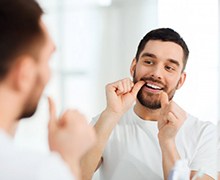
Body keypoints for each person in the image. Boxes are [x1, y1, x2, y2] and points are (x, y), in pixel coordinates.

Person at [81, 28, 217, 180]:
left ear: (181, 80)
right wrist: (111, 114)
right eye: (149, 62)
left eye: (169, 68)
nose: (156, 73)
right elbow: (76, 175)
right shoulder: (106, 122)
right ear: (133, 66)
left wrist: (168, 143)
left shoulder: (205, 134)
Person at [0, 0, 96, 179]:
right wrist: (68, 160)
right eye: (47, 60)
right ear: (25, 74)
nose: (48, 74)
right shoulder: (38, 172)